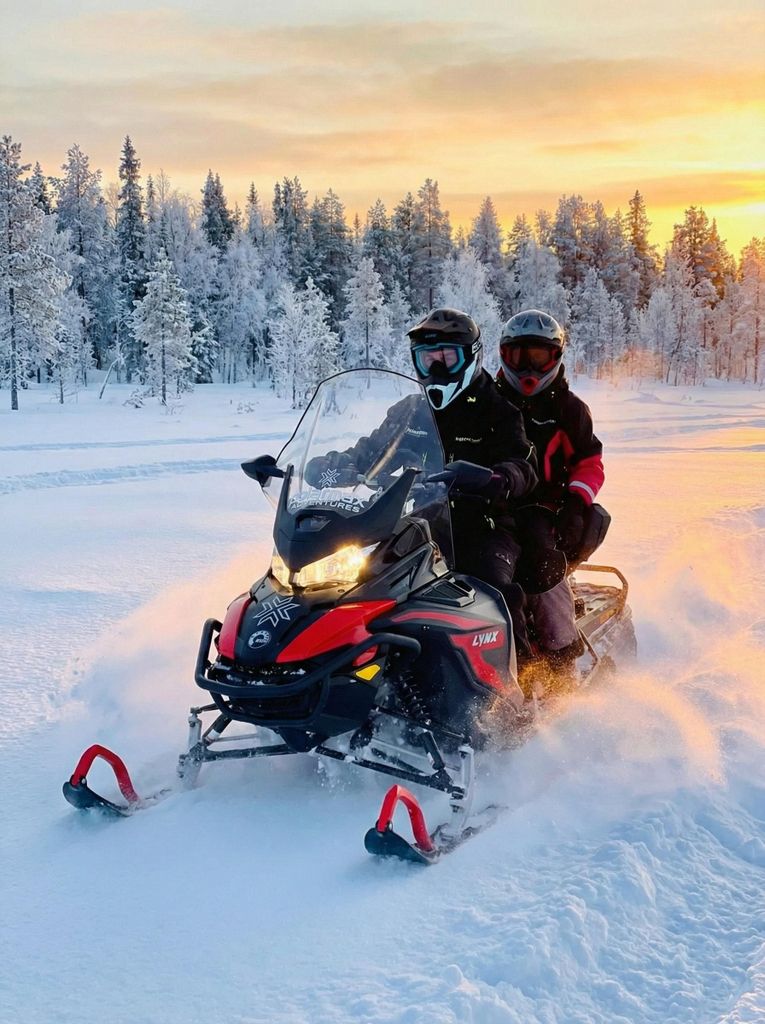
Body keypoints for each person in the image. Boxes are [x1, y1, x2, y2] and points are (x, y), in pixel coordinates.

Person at [307, 308, 538, 643]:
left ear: (471, 357)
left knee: (494, 594)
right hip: (416, 523)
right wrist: (327, 466)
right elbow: (369, 452)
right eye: (428, 358)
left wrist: (494, 478)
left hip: (483, 527)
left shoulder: (499, 410)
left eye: (447, 357)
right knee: (354, 585)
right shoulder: (410, 411)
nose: (438, 367)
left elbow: (523, 466)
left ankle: (527, 684)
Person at [495, 308, 605, 675]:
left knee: (540, 562)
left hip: (543, 506)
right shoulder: (488, 401)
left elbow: (590, 462)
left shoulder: (568, 409)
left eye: (537, 356)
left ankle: (561, 657)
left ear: (554, 357)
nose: (527, 367)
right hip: (488, 499)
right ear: (504, 355)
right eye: (519, 356)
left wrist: (575, 503)